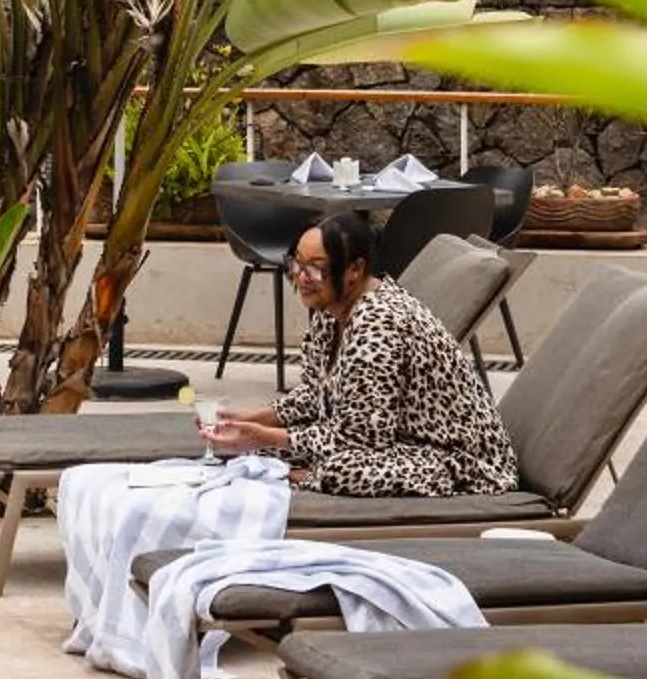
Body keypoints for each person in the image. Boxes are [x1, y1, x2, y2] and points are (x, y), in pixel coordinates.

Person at [200, 209, 518, 496]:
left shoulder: (378, 327)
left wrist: (269, 436)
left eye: (316, 268)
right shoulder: (332, 312)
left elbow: (362, 440)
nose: (300, 276)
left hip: (458, 460)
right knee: (256, 452)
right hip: (390, 443)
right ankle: (296, 471)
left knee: (342, 469)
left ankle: (301, 478)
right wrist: (246, 420)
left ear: (354, 269)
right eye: (297, 262)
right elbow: (314, 395)